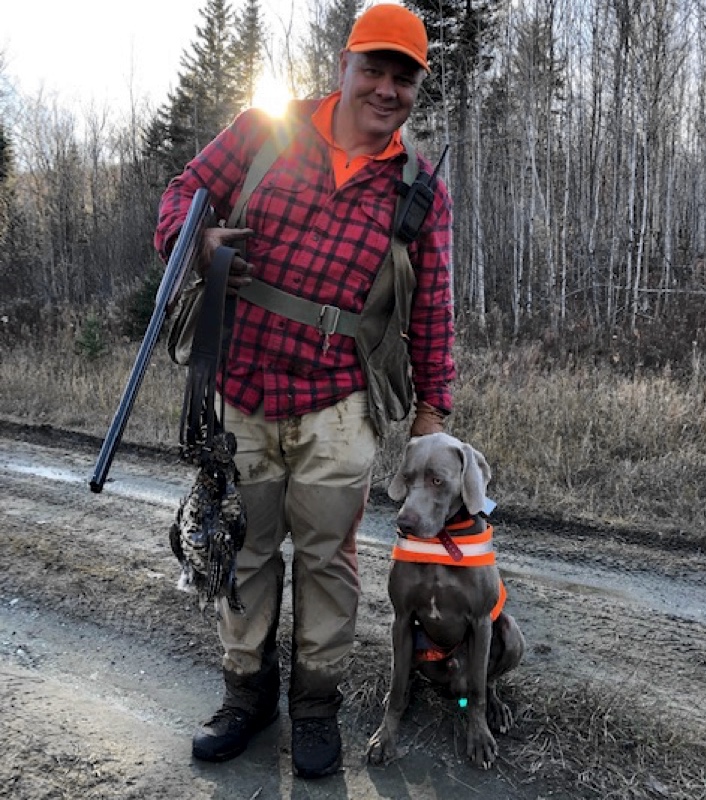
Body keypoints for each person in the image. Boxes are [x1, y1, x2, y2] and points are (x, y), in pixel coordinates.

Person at [154, 2, 455, 780]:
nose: (386, 89)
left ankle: (315, 708)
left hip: (338, 406)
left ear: (415, 87)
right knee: (244, 553)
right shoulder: (265, 129)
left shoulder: (419, 192)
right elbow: (182, 192)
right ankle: (245, 696)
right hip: (238, 390)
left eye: (403, 77)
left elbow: (432, 310)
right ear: (343, 66)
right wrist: (198, 239)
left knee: (328, 562)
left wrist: (430, 411)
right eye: (374, 69)